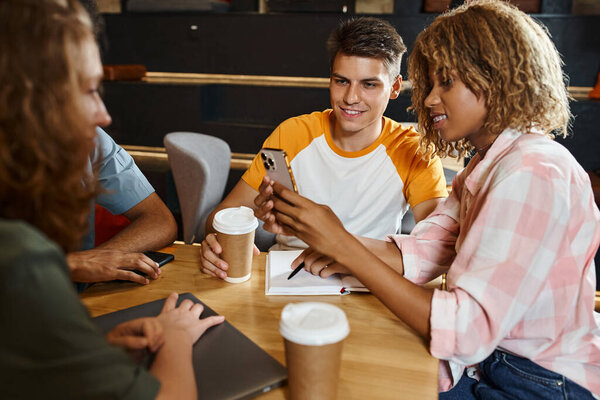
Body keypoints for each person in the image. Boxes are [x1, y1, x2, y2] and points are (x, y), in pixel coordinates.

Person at [261, 1, 600, 398]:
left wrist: (343, 246)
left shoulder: (531, 171)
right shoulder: (486, 165)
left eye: (447, 83)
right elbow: (424, 250)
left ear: (495, 77)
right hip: (488, 364)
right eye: (430, 85)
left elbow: (464, 332)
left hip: (536, 380)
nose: (430, 100)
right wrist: (331, 242)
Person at [0, 1, 223, 398]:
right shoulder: (22, 261)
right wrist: (174, 338)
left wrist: (94, 350)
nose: (103, 114)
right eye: (86, 91)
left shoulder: (91, 145)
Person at [201, 17, 449, 280]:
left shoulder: (414, 150)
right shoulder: (292, 134)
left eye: (369, 84)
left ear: (395, 87)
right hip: (289, 277)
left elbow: (438, 251)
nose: (351, 98)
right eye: (341, 81)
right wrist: (217, 243)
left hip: (371, 282)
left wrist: (344, 252)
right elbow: (220, 217)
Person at [67, 127, 178, 290]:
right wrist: (73, 265)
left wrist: (96, 258)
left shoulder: (90, 135)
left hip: (78, 296)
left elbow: (160, 221)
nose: (104, 117)